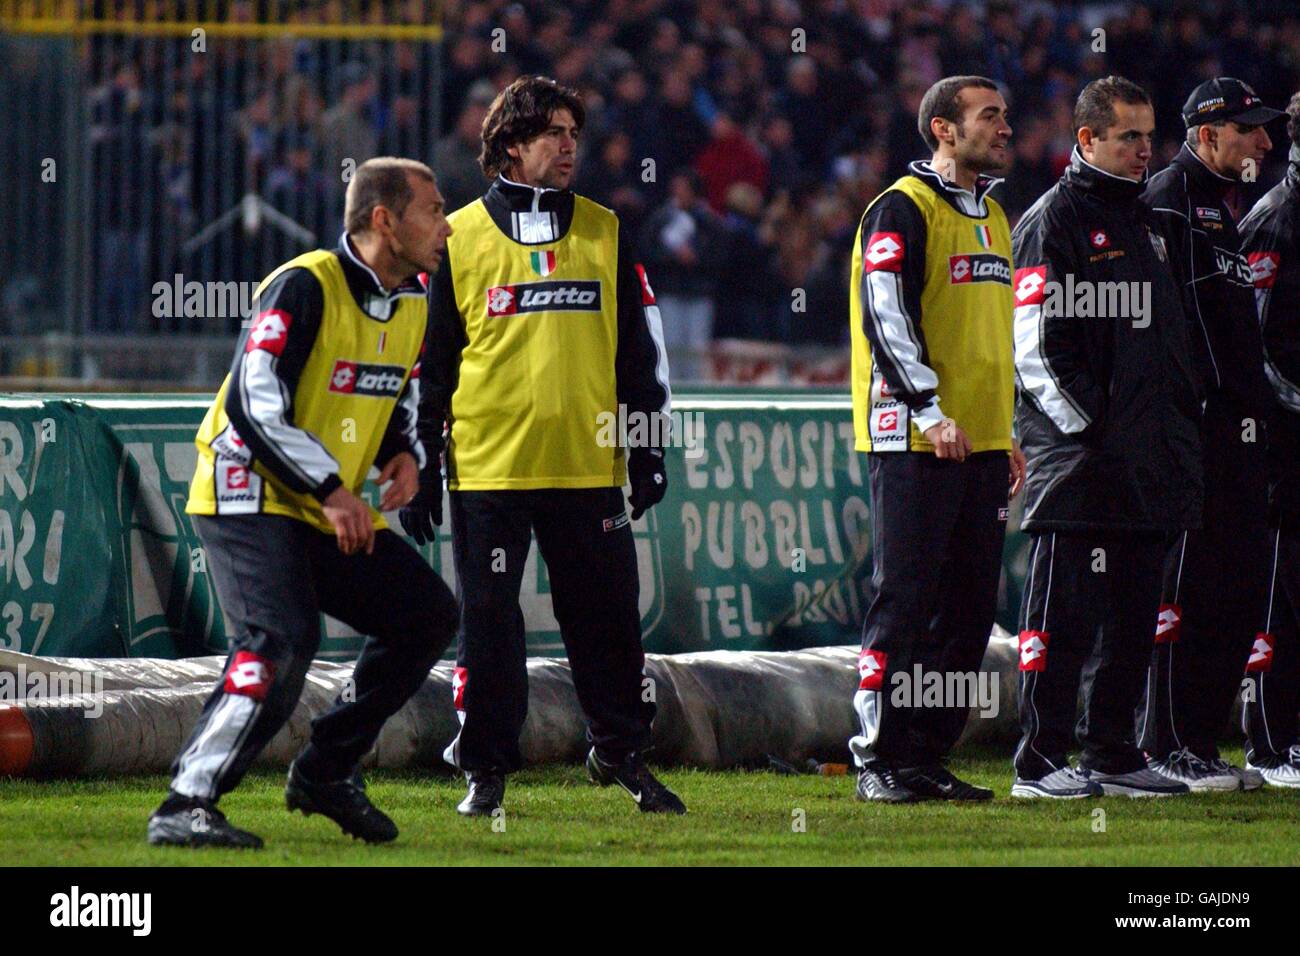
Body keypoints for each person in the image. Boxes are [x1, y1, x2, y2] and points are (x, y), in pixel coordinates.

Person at [147, 158, 458, 848]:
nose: (445, 225)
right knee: (278, 640)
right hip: (247, 494)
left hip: (321, 503)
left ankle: (325, 769)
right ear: (384, 219)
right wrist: (334, 490)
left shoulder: (415, 297)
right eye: (433, 210)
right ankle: (184, 802)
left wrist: (399, 453)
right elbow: (253, 406)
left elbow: (392, 392)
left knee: (426, 615)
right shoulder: (301, 284)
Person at [399, 76, 682, 816]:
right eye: (553, 133)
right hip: (490, 473)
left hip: (589, 469)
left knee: (611, 624)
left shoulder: (608, 230)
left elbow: (640, 354)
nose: (568, 146)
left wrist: (649, 445)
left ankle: (620, 753)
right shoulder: (458, 240)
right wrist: (425, 464)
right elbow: (433, 366)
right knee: (490, 627)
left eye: (574, 134)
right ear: (510, 145)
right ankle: (485, 769)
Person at [1009, 77, 1202, 799]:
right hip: (1083, 467)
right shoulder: (1051, 220)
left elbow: (1171, 347)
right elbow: (1033, 349)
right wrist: (1092, 431)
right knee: (1063, 623)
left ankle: (1112, 753)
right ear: (1086, 140)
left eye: (1148, 137)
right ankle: (1038, 762)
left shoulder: (1150, 222)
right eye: (1128, 137)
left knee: (1131, 622)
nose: (1143, 150)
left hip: (1149, 463)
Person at [847, 75, 1025, 803]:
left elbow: (993, 336)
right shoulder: (900, 208)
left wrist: (1003, 430)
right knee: (906, 598)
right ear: (944, 130)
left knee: (968, 609)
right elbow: (884, 315)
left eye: (1005, 117)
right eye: (990, 117)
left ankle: (924, 753)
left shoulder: (996, 216)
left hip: (980, 442)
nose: (1005, 128)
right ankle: (878, 756)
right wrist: (929, 411)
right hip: (916, 438)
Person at [1137, 78, 1284, 792]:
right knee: (1185, 589)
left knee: (1232, 586)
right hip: (1195, 433)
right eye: (1250, 129)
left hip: (1237, 434)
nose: (1264, 141)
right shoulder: (1168, 200)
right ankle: (1165, 744)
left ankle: (1195, 739)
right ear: (1208, 132)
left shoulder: (1218, 210)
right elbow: (1166, 331)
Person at [1236, 89, 1300, 787]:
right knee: (1283, 595)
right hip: (1284, 449)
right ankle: (1269, 741)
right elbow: (1249, 345)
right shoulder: (1276, 219)